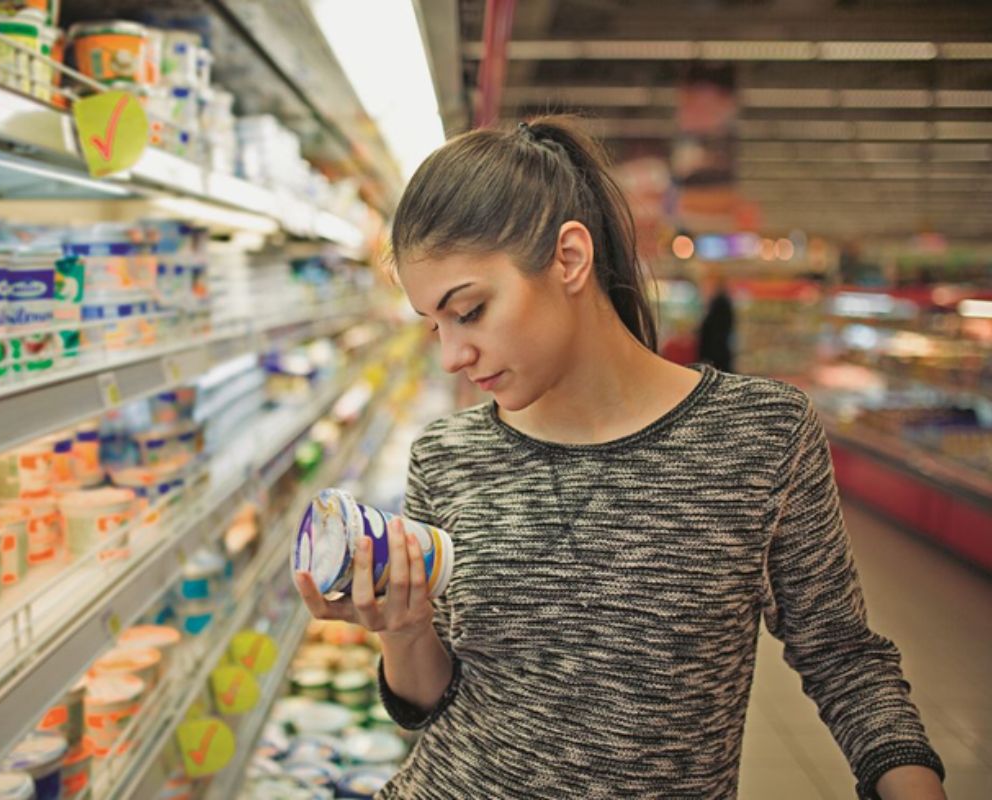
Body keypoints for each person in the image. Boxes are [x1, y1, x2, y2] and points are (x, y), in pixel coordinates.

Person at [293, 115, 945, 799]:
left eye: (471, 311)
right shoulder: (448, 455)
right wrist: (403, 628)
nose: (453, 354)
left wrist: (911, 779)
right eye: (434, 327)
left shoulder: (760, 437)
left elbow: (843, 657)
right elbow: (428, 703)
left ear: (569, 259)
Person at [697, 265, 735, 372]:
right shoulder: (716, 303)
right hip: (717, 358)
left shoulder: (721, 304)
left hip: (717, 360)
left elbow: (717, 336)